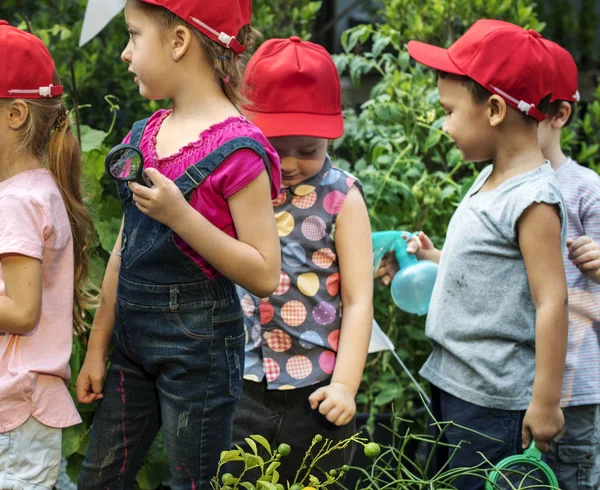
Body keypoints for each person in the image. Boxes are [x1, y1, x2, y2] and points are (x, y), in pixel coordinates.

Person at [76, 1, 282, 488]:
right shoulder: (144, 135)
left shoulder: (240, 150)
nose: (125, 54)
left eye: (133, 35)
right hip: (130, 346)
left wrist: (180, 216)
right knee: (99, 478)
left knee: (194, 480)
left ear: (178, 42)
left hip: (200, 349)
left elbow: (264, 273)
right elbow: (125, 250)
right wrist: (97, 346)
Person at [380, 20, 569, 489]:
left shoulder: (533, 199)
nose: (444, 125)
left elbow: (552, 301)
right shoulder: (489, 180)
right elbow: (495, 277)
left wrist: (545, 402)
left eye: (449, 111)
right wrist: (434, 258)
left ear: (495, 109)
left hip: (496, 402)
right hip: (456, 384)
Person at [232, 37, 373, 483]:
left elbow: (359, 300)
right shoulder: (237, 185)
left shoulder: (342, 198)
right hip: (240, 384)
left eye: (308, 149)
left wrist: (346, 387)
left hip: (318, 393)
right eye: (275, 146)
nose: (290, 163)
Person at [0, 20, 95, 489]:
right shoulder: (34, 189)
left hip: (16, 409)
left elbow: (20, 311)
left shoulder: (17, 200)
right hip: (25, 410)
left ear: (15, 114)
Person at [538, 39, 600, 490]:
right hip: (520, 381)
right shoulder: (497, 185)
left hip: (574, 386)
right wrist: (431, 256)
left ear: (559, 115)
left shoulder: (584, 189)